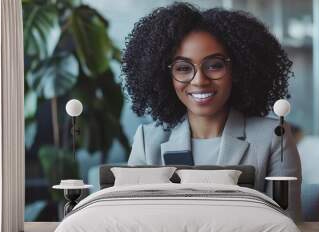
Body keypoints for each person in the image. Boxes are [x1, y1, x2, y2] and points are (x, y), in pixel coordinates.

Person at [121, 3, 302, 219]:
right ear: (166, 76)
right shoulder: (147, 141)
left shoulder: (274, 138)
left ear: (237, 69)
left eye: (214, 65)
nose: (199, 81)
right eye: (183, 68)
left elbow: (286, 224)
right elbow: (132, 221)